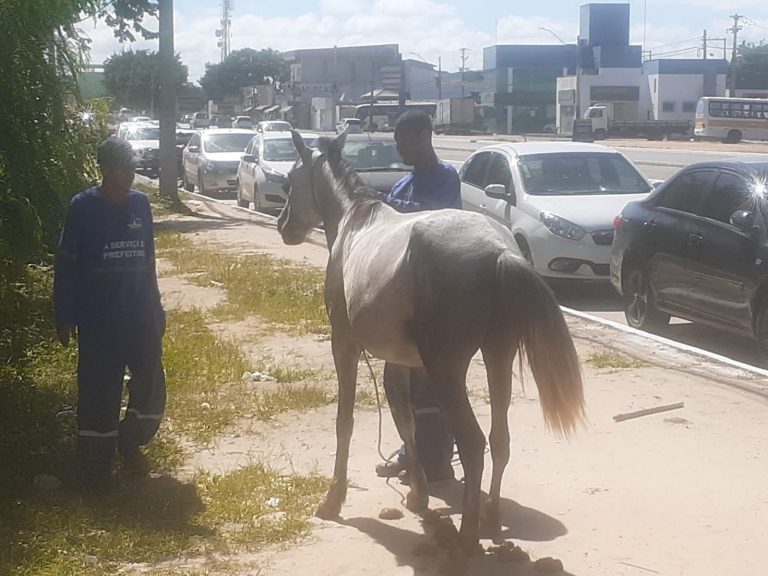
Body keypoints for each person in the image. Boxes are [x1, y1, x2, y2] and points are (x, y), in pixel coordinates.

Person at [54, 137, 166, 489]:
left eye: (133, 166)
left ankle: (129, 441)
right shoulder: (83, 207)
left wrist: (157, 305)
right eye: (124, 167)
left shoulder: (141, 205)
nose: (131, 173)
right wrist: (64, 313)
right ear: (105, 170)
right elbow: (67, 263)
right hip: (99, 318)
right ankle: (95, 465)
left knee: (150, 381)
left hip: (139, 313)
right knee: (99, 389)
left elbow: (148, 260)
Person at [375, 110, 461, 483]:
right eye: (396, 141)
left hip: (435, 303)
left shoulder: (446, 179)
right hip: (400, 303)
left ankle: (436, 457)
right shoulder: (401, 185)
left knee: (432, 388)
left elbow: (433, 221)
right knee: (398, 384)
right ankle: (408, 450)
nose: (399, 147)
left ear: (425, 136)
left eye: (403, 140)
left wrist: (393, 212)